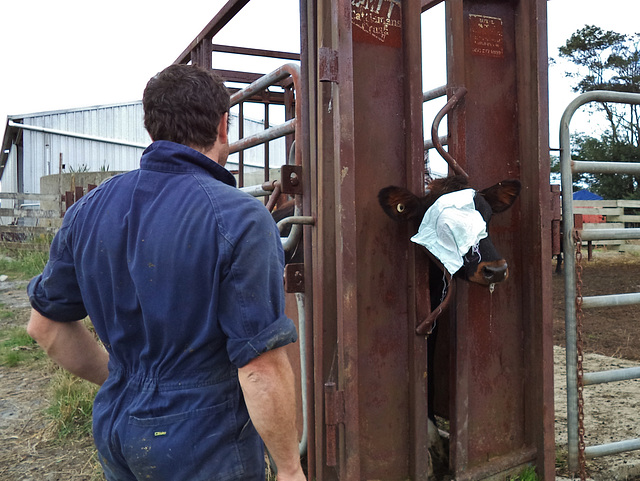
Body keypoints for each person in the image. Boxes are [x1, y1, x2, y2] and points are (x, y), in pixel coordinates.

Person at [26, 64, 306, 481]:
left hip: (118, 426)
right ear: (223, 125)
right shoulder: (240, 218)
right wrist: (288, 468)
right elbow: (259, 367)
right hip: (204, 439)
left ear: (151, 127)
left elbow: (44, 328)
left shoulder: (87, 210)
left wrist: (126, 383)